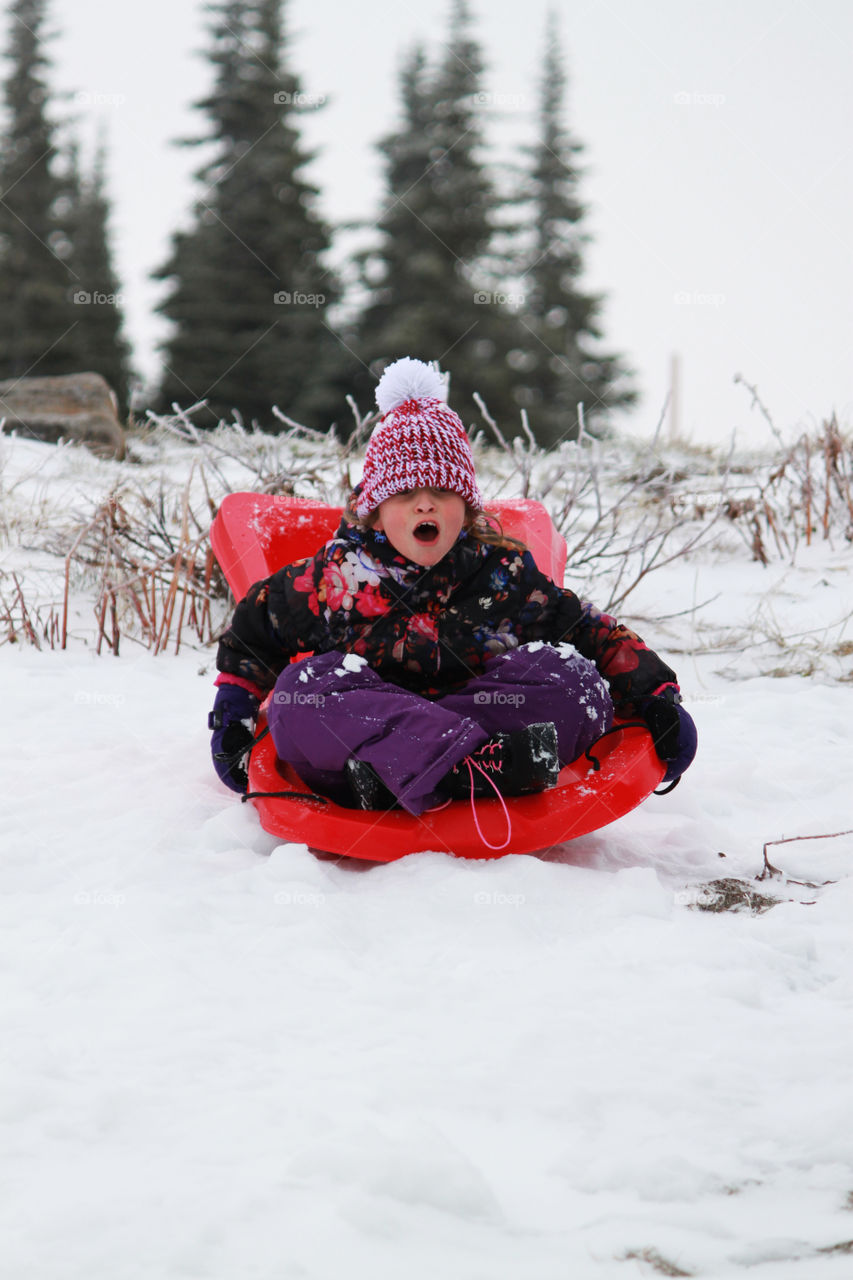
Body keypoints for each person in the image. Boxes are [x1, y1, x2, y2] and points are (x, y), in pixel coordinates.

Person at [209, 357, 696, 821]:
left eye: (441, 492)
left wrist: (657, 696)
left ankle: (422, 770)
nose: (425, 506)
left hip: (478, 711)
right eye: (405, 494)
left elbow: (588, 631)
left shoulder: (501, 573)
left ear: (466, 508)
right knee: (300, 696)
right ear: (375, 512)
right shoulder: (335, 577)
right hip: (378, 719)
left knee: (575, 680)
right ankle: (474, 766)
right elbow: (255, 633)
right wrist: (233, 713)